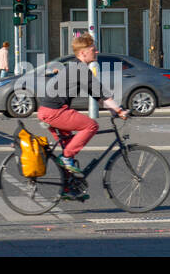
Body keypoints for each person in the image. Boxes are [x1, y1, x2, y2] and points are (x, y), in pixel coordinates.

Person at [37, 33, 129, 200]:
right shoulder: (80, 69)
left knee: (68, 146)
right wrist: (120, 111)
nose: (97, 51)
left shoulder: (75, 67)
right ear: (83, 53)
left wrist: (112, 109)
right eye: (93, 49)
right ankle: (66, 158)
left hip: (48, 111)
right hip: (55, 112)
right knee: (91, 126)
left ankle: (67, 188)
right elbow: (101, 92)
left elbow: (97, 95)